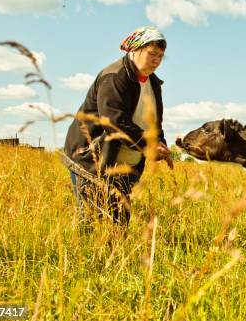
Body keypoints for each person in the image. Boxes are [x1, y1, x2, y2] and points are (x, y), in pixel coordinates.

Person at [62, 26, 172, 230]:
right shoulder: (115, 77)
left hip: (125, 162)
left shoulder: (153, 83)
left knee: (119, 222)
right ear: (135, 50)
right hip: (92, 157)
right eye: (152, 54)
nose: (156, 60)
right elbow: (113, 121)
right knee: (91, 219)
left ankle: (115, 259)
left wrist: (161, 146)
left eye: (161, 56)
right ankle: (87, 260)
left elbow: (154, 123)